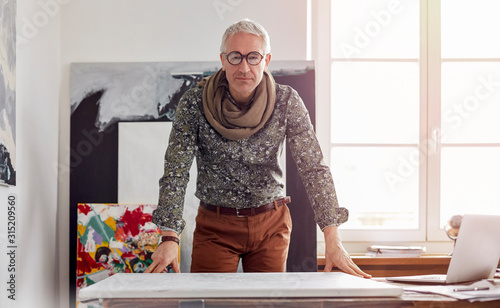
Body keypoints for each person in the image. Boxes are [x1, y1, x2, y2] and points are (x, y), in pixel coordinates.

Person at [145, 18, 370, 278]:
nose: (244, 67)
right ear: (222, 59)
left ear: (266, 60)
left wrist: (332, 236)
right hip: (215, 226)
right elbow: (175, 171)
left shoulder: (287, 101)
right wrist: (169, 237)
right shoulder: (194, 103)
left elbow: (313, 168)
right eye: (235, 57)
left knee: (267, 303)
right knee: (210, 301)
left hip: (270, 225)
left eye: (253, 57)